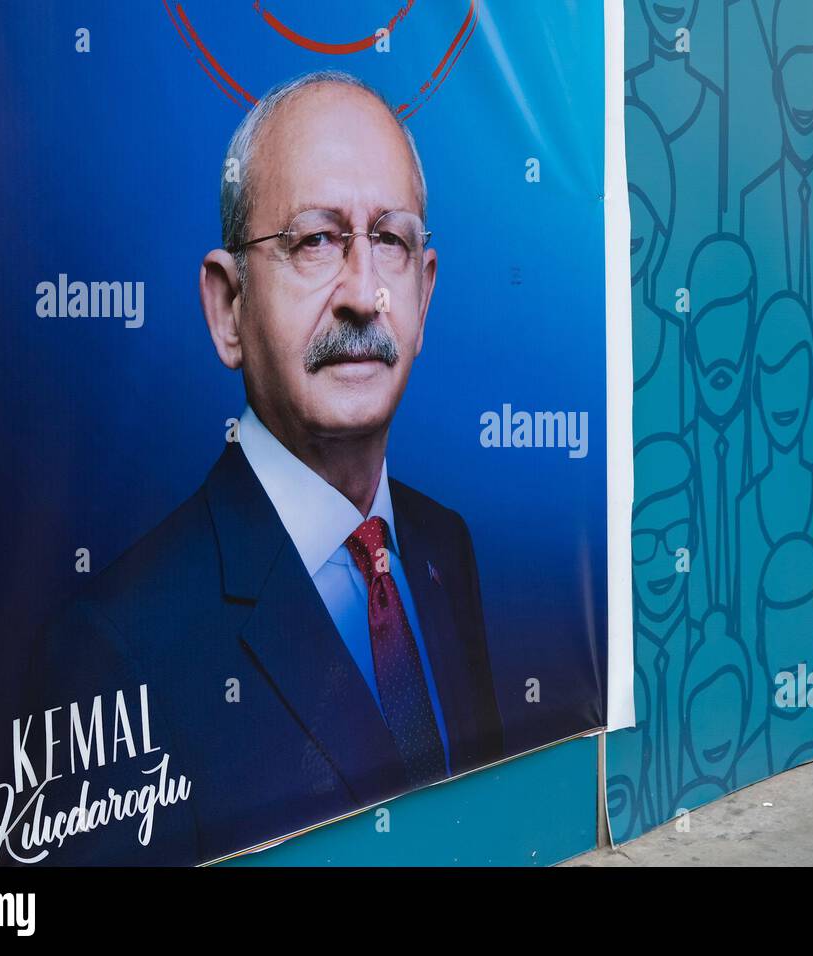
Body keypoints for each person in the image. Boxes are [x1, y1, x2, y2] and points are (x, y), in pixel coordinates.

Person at [28, 71, 504, 865]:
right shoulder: (111, 650)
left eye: (389, 240)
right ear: (228, 309)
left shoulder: (443, 550)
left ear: (424, 294)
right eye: (314, 240)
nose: (361, 293)